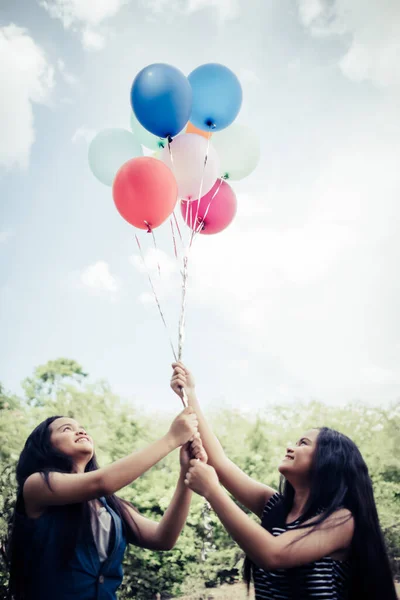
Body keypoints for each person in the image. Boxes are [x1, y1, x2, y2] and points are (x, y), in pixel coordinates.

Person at [171, 362, 397, 600]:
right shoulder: (274, 506)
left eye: (303, 444)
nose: (290, 447)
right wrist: (190, 393)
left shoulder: (340, 520)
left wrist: (212, 491)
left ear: (328, 461)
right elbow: (219, 462)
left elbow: (273, 555)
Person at [7, 407, 206, 600]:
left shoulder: (112, 505)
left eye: (81, 427)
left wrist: (186, 472)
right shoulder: (37, 485)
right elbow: (101, 482)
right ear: (44, 446)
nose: (80, 430)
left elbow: (163, 538)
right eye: (66, 428)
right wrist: (171, 438)